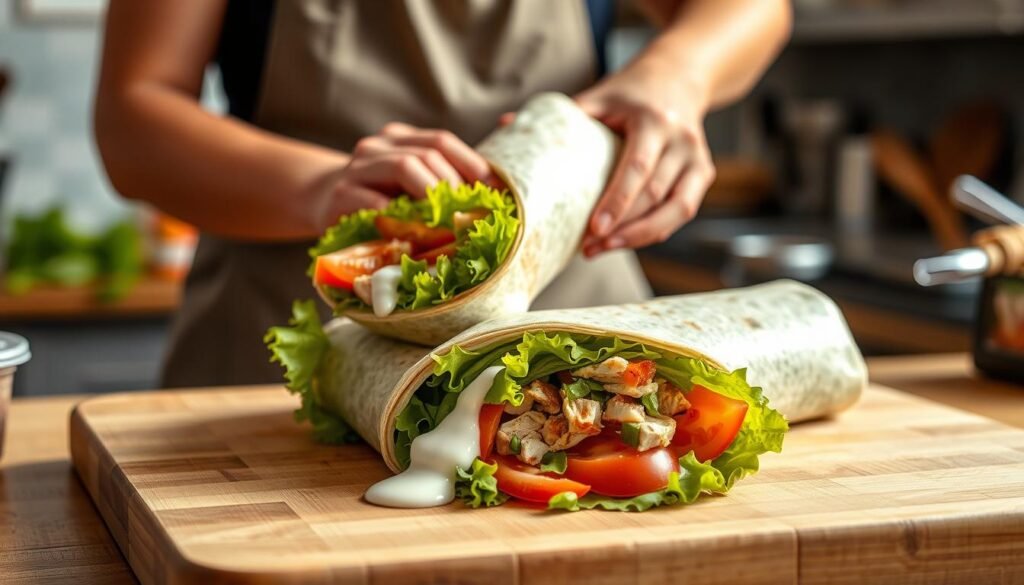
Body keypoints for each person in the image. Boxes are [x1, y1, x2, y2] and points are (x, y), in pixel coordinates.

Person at [94, 0, 791, 388]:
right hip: (291, 332)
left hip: (578, 327)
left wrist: (674, 76)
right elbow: (133, 114)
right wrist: (321, 189)